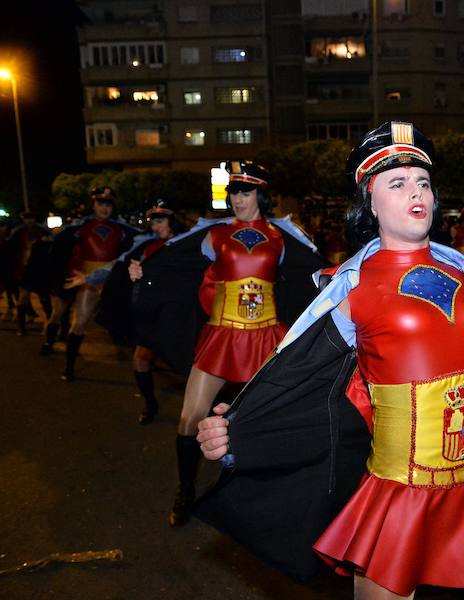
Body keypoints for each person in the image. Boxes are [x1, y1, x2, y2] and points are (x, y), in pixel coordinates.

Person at [194, 122, 464, 599]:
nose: (416, 192)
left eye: (423, 183)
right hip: (401, 483)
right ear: (370, 204)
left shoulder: (458, 268)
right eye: (397, 184)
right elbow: (297, 373)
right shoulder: (349, 286)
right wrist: (238, 429)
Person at [128, 161, 322, 526]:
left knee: (271, 418)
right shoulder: (213, 235)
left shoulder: (283, 237)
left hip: (267, 336)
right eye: (233, 191)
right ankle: (185, 490)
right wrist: (143, 271)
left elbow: (310, 274)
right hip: (221, 336)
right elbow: (176, 265)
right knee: (189, 417)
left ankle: (260, 494)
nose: (237, 198)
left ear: (260, 195)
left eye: (245, 191)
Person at [91, 198, 182, 424]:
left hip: (179, 315)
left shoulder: (188, 244)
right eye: (153, 222)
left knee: (190, 368)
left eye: (160, 221)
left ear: (172, 220)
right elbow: (121, 266)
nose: (155, 226)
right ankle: (150, 404)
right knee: (140, 360)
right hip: (152, 314)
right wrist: (135, 276)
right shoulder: (147, 247)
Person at [46, 186, 139, 380]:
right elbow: (59, 246)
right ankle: (68, 366)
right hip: (87, 280)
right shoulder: (80, 227)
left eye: (109, 205)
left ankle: (142, 362)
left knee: (129, 320)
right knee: (79, 323)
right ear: (93, 205)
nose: (105, 208)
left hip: (112, 282)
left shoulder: (123, 230)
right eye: (100, 204)